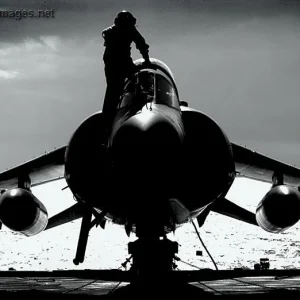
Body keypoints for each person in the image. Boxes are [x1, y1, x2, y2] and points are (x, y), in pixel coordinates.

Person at [102, 10, 151, 137]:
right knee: (115, 91)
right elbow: (141, 44)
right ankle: (106, 127)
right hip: (119, 62)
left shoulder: (110, 32)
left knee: (112, 93)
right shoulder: (128, 30)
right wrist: (146, 60)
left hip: (113, 63)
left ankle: (106, 126)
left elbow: (141, 44)